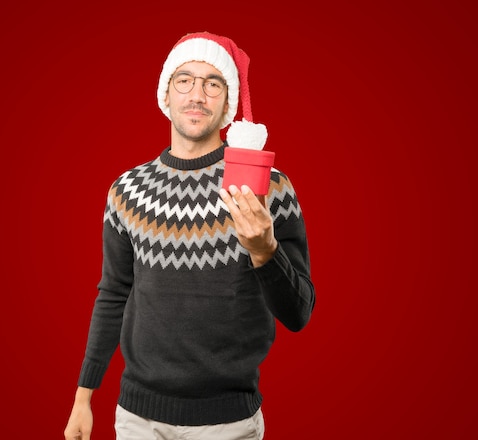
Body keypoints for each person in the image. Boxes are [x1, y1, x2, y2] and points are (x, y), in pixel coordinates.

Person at [63, 31, 315, 440]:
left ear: (228, 102)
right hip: (137, 419)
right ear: (166, 94)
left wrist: (264, 251)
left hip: (229, 422)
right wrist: (83, 397)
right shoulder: (127, 190)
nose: (197, 94)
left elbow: (298, 314)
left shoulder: (268, 187)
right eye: (184, 80)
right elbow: (113, 293)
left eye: (212, 83)